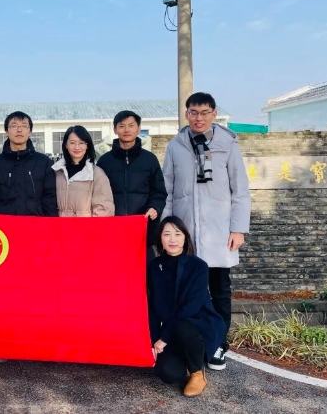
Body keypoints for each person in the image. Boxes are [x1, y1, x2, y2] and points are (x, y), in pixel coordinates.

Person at [161, 92, 251, 371]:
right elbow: (167, 190)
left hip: (218, 231)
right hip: (186, 233)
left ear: (214, 114)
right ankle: (189, 342)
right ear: (186, 114)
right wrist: (166, 230)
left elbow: (240, 190)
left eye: (204, 113)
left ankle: (218, 345)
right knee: (187, 291)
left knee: (219, 290)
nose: (198, 118)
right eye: (193, 112)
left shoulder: (227, 145)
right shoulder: (176, 146)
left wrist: (238, 228)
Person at [148, 216, 225, 398]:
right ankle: (186, 362)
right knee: (167, 373)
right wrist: (152, 342)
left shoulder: (198, 266)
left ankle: (197, 373)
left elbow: (191, 307)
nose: (172, 239)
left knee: (183, 325)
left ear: (185, 238)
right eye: (167, 234)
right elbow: (153, 306)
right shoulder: (155, 266)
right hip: (172, 329)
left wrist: (164, 339)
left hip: (197, 324)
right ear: (160, 238)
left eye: (177, 234)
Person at [96, 110, 167, 246]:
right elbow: (97, 193)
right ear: (115, 130)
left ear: (139, 129)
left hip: (144, 226)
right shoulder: (104, 161)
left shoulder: (149, 159)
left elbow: (159, 191)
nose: (127, 130)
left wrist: (154, 207)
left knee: (145, 259)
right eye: (122, 126)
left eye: (131, 125)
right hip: (113, 228)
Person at [0, 111, 57, 217]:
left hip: (35, 224)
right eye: (14, 126)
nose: (19, 130)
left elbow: (50, 200)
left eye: (24, 126)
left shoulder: (44, 163)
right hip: (2, 225)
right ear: (6, 131)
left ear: (30, 132)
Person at [51, 125, 115, 217]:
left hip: (85, 225)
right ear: (66, 145)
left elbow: (103, 210)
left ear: (87, 145)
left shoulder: (97, 174)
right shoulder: (57, 171)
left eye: (81, 143)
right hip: (60, 225)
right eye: (72, 143)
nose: (77, 147)